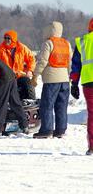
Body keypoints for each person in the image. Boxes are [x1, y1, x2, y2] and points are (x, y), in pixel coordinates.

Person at [31, 21, 73, 139]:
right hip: (64, 79)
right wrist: (69, 76)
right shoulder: (66, 43)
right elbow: (69, 62)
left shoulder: (48, 43)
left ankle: (46, 130)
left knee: (47, 105)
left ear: (49, 30)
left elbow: (43, 61)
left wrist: (35, 75)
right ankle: (60, 130)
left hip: (51, 79)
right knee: (61, 106)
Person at [70, 18, 93, 155]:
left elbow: (76, 65)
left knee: (92, 114)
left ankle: (92, 147)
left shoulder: (82, 41)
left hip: (88, 83)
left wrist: (74, 83)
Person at [0, 30, 36, 99]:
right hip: (6, 77)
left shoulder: (22, 48)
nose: (6, 40)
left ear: (14, 39)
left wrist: (30, 70)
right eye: (5, 38)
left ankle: (30, 100)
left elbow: (31, 59)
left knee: (27, 82)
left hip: (19, 75)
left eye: (8, 38)